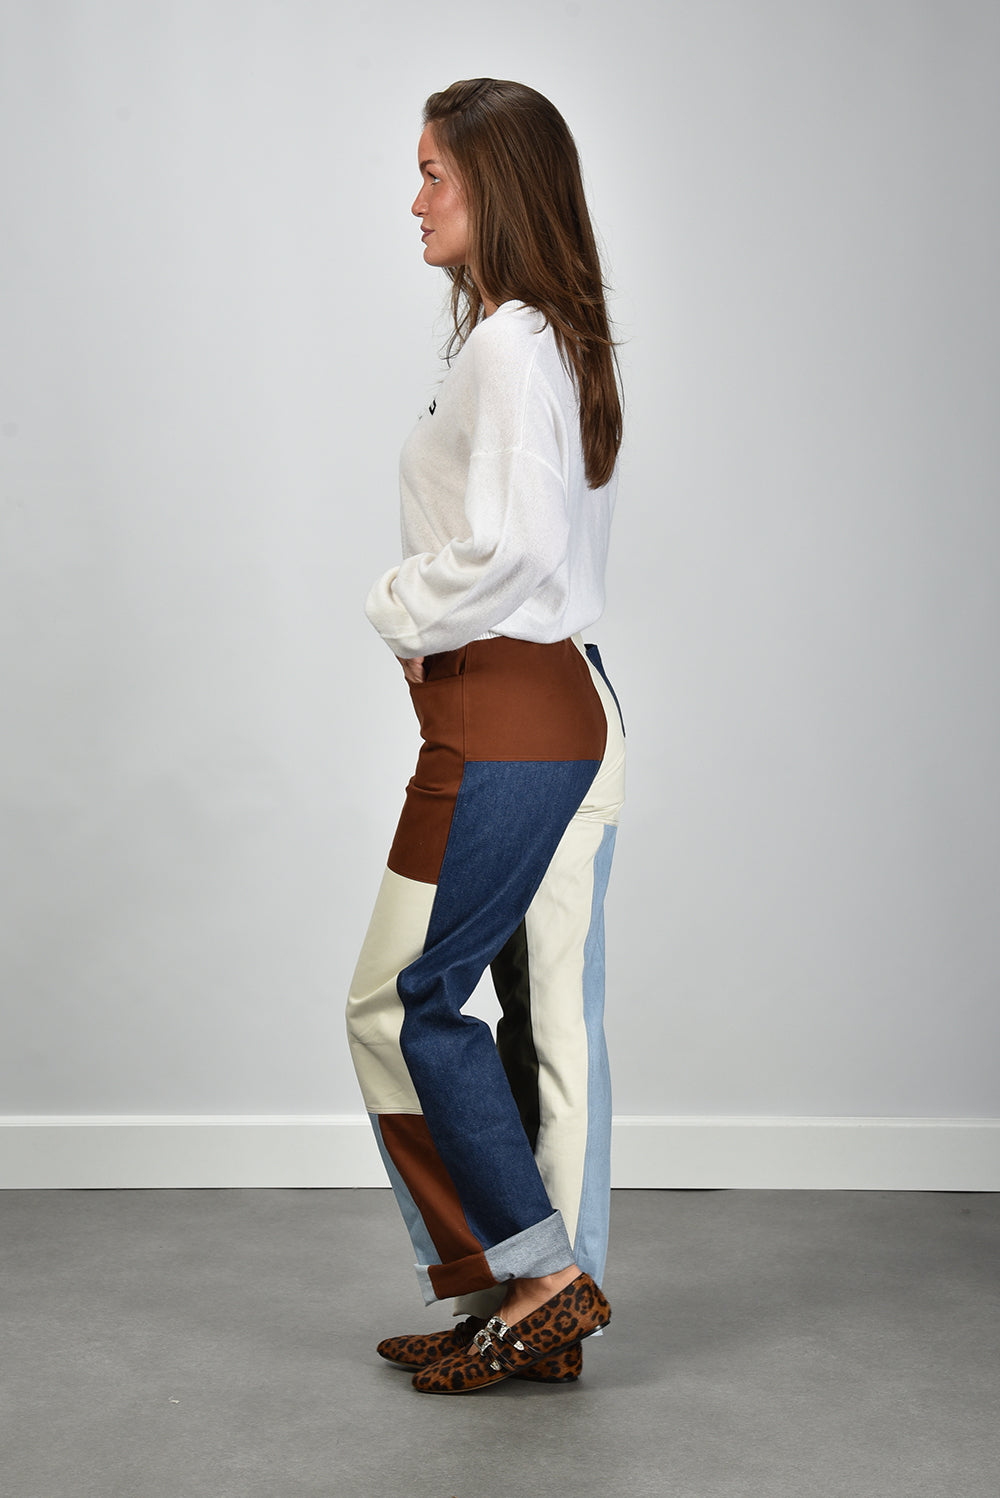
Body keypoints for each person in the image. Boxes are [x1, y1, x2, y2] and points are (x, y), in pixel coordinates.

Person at [346, 77, 626, 1395]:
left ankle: (542, 1281)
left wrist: (398, 605)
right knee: (488, 1014)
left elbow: (518, 548)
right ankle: (513, 1292)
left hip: (510, 709)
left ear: (493, 187)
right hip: (522, 705)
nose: (414, 201)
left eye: (433, 175)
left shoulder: (517, 343)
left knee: (430, 1004)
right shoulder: (535, 341)